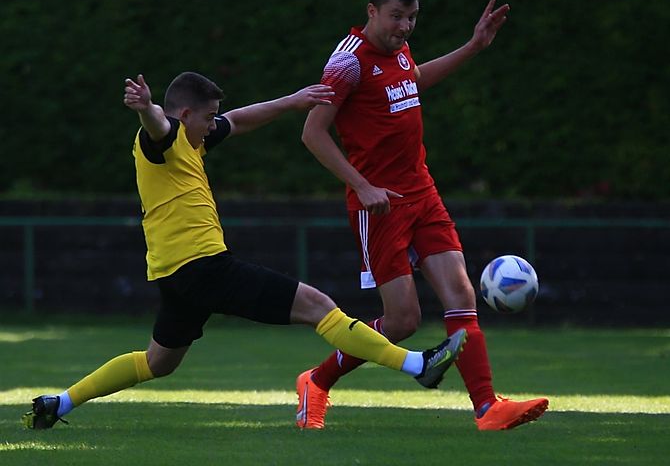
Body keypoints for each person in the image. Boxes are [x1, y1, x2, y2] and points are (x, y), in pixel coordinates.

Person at [22, 71, 466, 430]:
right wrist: (147, 108)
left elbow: (242, 119)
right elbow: (158, 124)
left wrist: (293, 101)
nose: (213, 125)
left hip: (175, 275)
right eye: (207, 117)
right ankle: (416, 364)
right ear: (187, 114)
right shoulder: (166, 136)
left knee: (157, 363)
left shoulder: (194, 139)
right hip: (204, 267)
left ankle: (59, 402)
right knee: (318, 305)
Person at [298, 0, 549, 431]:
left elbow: (412, 80)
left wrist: (473, 47)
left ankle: (487, 408)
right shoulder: (348, 62)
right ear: (371, 11)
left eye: (412, 18)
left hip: (423, 191)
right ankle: (316, 381)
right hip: (380, 206)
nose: (405, 27)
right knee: (402, 322)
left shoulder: (399, 48)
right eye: (396, 17)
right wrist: (364, 186)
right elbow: (312, 132)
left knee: (460, 294)